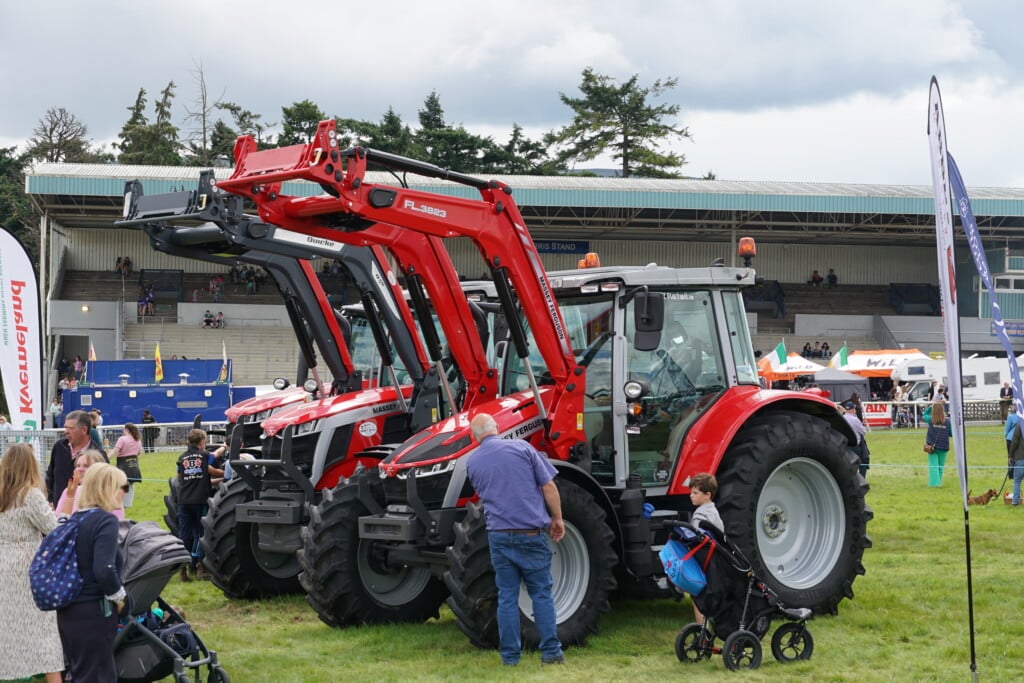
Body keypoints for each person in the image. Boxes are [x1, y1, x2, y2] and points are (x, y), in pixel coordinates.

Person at [465, 413, 565, 666]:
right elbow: (548, 486)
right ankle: (551, 653)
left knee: (507, 596)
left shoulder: (472, 461)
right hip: (530, 534)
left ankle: (510, 658)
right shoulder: (522, 448)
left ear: (474, 437)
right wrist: (557, 518)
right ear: (497, 428)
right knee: (540, 593)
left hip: (498, 536)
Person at [56, 463, 129, 682]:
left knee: (81, 673)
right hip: (94, 611)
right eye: (123, 486)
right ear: (108, 488)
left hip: (69, 611)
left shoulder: (76, 519)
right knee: (99, 675)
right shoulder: (105, 521)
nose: (125, 492)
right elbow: (104, 569)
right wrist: (121, 599)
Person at [0, 444, 66, 683]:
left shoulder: (2, 495)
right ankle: (51, 675)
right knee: (42, 628)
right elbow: (53, 529)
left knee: (9, 624)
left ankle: (13, 671)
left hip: (3, 563)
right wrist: (58, 515)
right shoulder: (29, 495)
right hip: (28, 565)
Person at [177, 429, 225, 581]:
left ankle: (183, 569)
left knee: (184, 534)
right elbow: (215, 456)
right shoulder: (204, 456)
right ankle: (200, 567)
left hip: (183, 500)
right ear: (203, 441)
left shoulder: (182, 458)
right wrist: (224, 446)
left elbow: (180, 477)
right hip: (200, 500)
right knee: (201, 533)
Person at [46, 410, 105, 506]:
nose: (66, 432)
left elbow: (104, 485)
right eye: (65, 427)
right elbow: (50, 475)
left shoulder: (98, 455)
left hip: (84, 509)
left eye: (71, 428)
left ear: (84, 430)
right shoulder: (59, 446)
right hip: (58, 508)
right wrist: (50, 500)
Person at [687, 472, 723, 623]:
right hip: (713, 558)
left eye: (695, 493)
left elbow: (694, 537)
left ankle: (701, 627)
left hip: (703, 559)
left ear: (707, 495)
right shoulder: (713, 511)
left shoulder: (700, 515)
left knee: (697, 594)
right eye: (691, 492)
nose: (691, 496)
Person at [55, 450, 123, 520]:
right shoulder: (69, 492)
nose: (80, 469)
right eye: (78, 466)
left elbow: (116, 522)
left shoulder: (112, 495)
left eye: (86, 466)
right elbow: (58, 520)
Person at [110, 423, 143, 507]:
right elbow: (139, 452)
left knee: (119, 483)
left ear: (127, 430)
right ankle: (127, 504)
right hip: (134, 464)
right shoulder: (137, 440)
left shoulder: (122, 439)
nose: (123, 431)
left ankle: (117, 502)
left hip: (123, 464)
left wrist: (106, 458)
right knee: (130, 484)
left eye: (123, 429)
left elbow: (115, 451)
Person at [840, 401, 870, 477]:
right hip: (856, 446)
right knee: (863, 463)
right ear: (852, 409)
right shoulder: (854, 419)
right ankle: (862, 479)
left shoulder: (842, 418)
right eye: (854, 409)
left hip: (845, 445)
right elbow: (863, 432)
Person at [924, 401, 950, 487]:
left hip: (932, 447)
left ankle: (935, 484)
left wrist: (931, 407)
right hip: (943, 447)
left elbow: (925, 414)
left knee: (933, 466)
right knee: (940, 466)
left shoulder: (930, 420)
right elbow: (951, 433)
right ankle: (938, 481)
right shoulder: (947, 422)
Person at [1009, 420, 1024, 506]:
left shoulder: (1019, 424)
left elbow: (1014, 441)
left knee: (1017, 480)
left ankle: (1015, 501)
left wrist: (1011, 455)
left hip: (1020, 457)